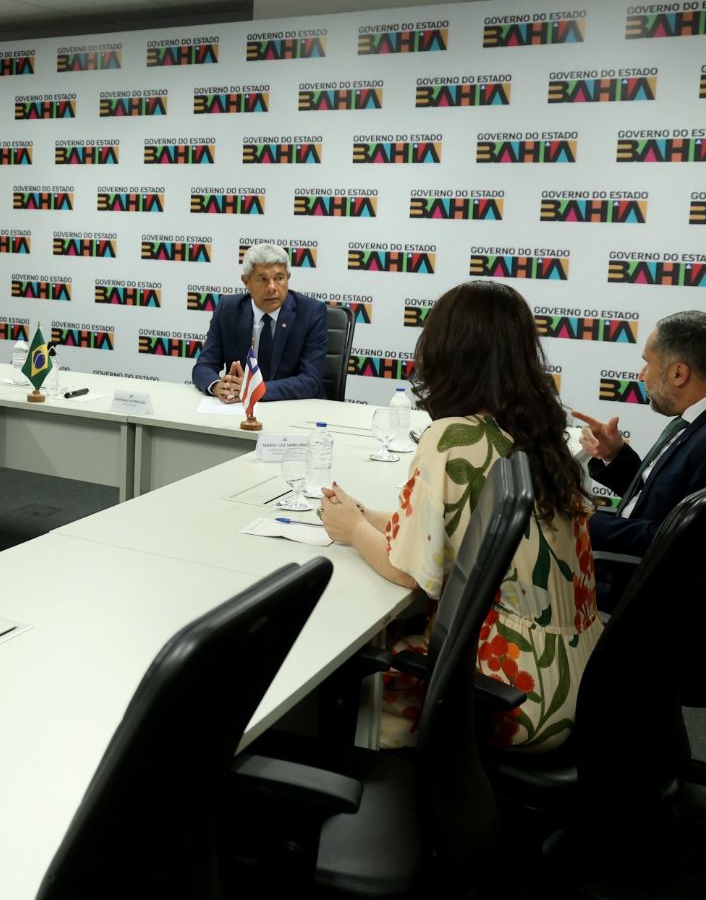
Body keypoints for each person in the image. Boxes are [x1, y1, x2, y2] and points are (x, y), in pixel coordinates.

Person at [320, 281, 600, 750]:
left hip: (512, 691)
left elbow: (407, 573)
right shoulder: (537, 428)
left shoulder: (454, 438)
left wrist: (351, 530)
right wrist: (368, 515)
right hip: (587, 676)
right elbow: (466, 525)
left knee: (333, 676)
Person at [572, 310, 706, 609]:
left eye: (647, 362)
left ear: (678, 373)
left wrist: (580, 522)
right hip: (642, 573)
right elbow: (668, 497)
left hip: (649, 596)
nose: (641, 375)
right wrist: (616, 456)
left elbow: (679, 543)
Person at [191, 242, 328, 402]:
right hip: (238, 409)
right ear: (246, 281)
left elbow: (310, 381)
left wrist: (254, 390)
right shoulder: (228, 309)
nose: (272, 287)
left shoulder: (311, 312)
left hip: (290, 407)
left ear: (288, 278)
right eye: (263, 279)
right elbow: (204, 366)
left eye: (279, 278)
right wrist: (216, 386)